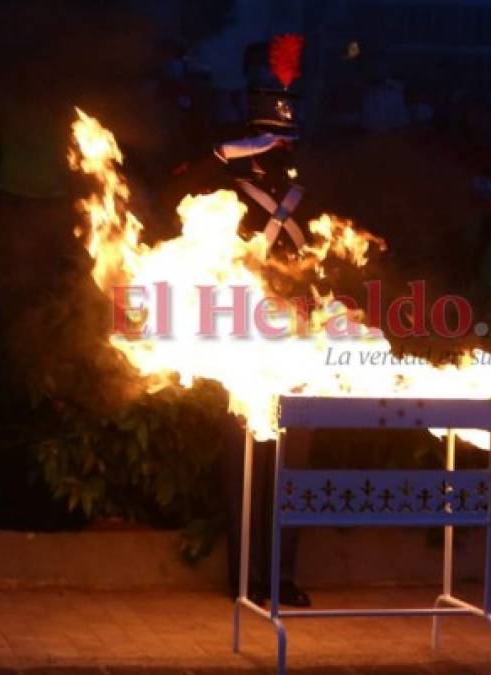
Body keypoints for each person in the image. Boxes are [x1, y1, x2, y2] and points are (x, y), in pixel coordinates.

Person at [213, 38, 313, 609]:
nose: (277, 151)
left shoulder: (310, 192)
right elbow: (166, 192)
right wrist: (223, 155)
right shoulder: (220, 189)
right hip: (242, 341)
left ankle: (280, 574)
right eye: (269, 140)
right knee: (243, 467)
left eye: (284, 140)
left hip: (300, 341)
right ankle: (243, 577)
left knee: (291, 466)